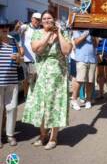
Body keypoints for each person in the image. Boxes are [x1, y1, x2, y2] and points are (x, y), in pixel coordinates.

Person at [22, 10, 72, 150]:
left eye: (49, 18)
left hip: (57, 76)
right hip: (41, 74)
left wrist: (59, 33)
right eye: (44, 19)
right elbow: (36, 49)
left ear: (54, 19)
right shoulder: (37, 33)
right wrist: (49, 34)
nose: (46, 21)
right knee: (40, 105)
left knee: (54, 104)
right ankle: (43, 134)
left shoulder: (63, 33)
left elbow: (67, 51)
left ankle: (54, 137)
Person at [0, 19, 21, 148]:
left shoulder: (13, 40)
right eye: (1, 26)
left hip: (12, 80)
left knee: (12, 108)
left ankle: (10, 135)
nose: (4, 28)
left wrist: (18, 58)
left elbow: (20, 57)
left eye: (6, 26)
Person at [70, 30, 97, 110]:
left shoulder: (92, 31)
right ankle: (74, 100)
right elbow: (76, 42)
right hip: (81, 58)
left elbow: (96, 44)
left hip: (92, 59)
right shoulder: (77, 31)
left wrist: (93, 36)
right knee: (79, 80)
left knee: (90, 81)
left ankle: (88, 100)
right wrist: (86, 33)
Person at [20, 12, 41, 97]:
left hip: (36, 58)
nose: (37, 21)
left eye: (39, 20)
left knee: (33, 78)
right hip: (26, 58)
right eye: (36, 19)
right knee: (26, 79)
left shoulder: (40, 29)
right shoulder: (25, 27)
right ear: (32, 19)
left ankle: (31, 95)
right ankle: (26, 96)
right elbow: (17, 30)